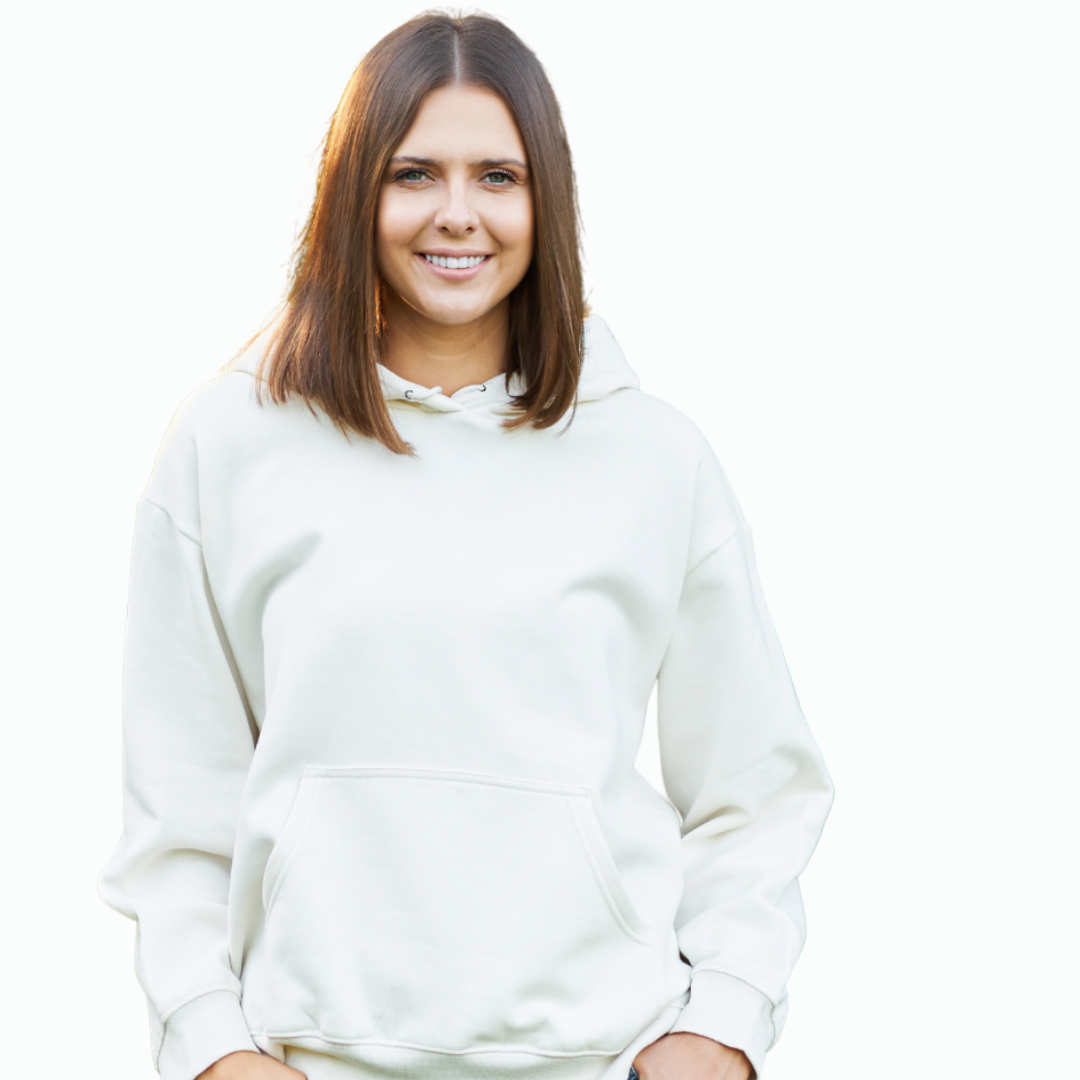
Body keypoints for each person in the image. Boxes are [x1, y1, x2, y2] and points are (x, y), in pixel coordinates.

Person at [98, 11, 833, 1080]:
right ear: (354, 195)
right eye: (413, 173)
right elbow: (177, 806)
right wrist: (211, 1043)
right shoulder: (228, 443)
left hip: (601, 1057)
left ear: (547, 201)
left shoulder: (655, 458)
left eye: (498, 175)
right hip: (306, 1059)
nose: (457, 213)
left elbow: (757, 787)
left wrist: (723, 1021)